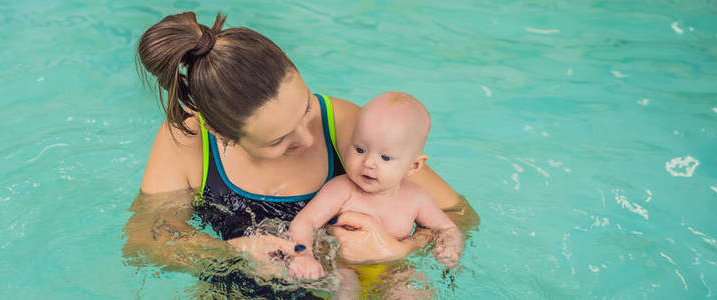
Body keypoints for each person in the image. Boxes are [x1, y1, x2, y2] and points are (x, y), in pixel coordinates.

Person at [123, 11, 480, 298]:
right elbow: (143, 242)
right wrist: (233, 251)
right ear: (220, 133)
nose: (309, 140)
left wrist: (399, 249)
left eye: (307, 108)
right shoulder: (187, 140)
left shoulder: (350, 129)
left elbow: (459, 215)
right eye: (279, 140)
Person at [288, 92, 464, 298]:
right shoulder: (341, 189)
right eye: (360, 149)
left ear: (414, 165)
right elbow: (305, 221)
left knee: (415, 291)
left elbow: (446, 227)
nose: (369, 163)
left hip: (393, 269)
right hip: (343, 267)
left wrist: (451, 248)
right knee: (346, 289)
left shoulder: (416, 198)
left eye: (385, 157)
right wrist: (304, 256)